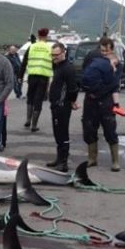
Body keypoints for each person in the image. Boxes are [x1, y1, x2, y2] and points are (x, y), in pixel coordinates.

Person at [81, 49, 121, 171]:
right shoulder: (109, 67)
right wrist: (117, 104)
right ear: (112, 60)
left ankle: (92, 159)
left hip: (90, 100)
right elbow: (114, 87)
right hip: (104, 102)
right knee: (109, 130)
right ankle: (115, 162)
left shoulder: (92, 63)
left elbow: (83, 80)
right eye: (115, 64)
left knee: (90, 129)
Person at [46, 43, 79, 172]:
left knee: (62, 133)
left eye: (56, 55)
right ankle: (59, 159)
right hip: (55, 105)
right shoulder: (57, 66)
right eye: (52, 55)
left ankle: (64, 162)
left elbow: (73, 88)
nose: (54, 57)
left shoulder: (68, 69)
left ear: (63, 53)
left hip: (62, 106)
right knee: (57, 133)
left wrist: (71, 102)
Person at [18, 28, 52, 132]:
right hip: (43, 77)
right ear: (46, 36)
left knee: (30, 97)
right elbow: (54, 63)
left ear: (38, 36)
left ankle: (28, 119)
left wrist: (20, 76)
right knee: (38, 100)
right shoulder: (49, 48)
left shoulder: (31, 47)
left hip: (32, 76)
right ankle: (34, 125)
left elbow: (24, 62)